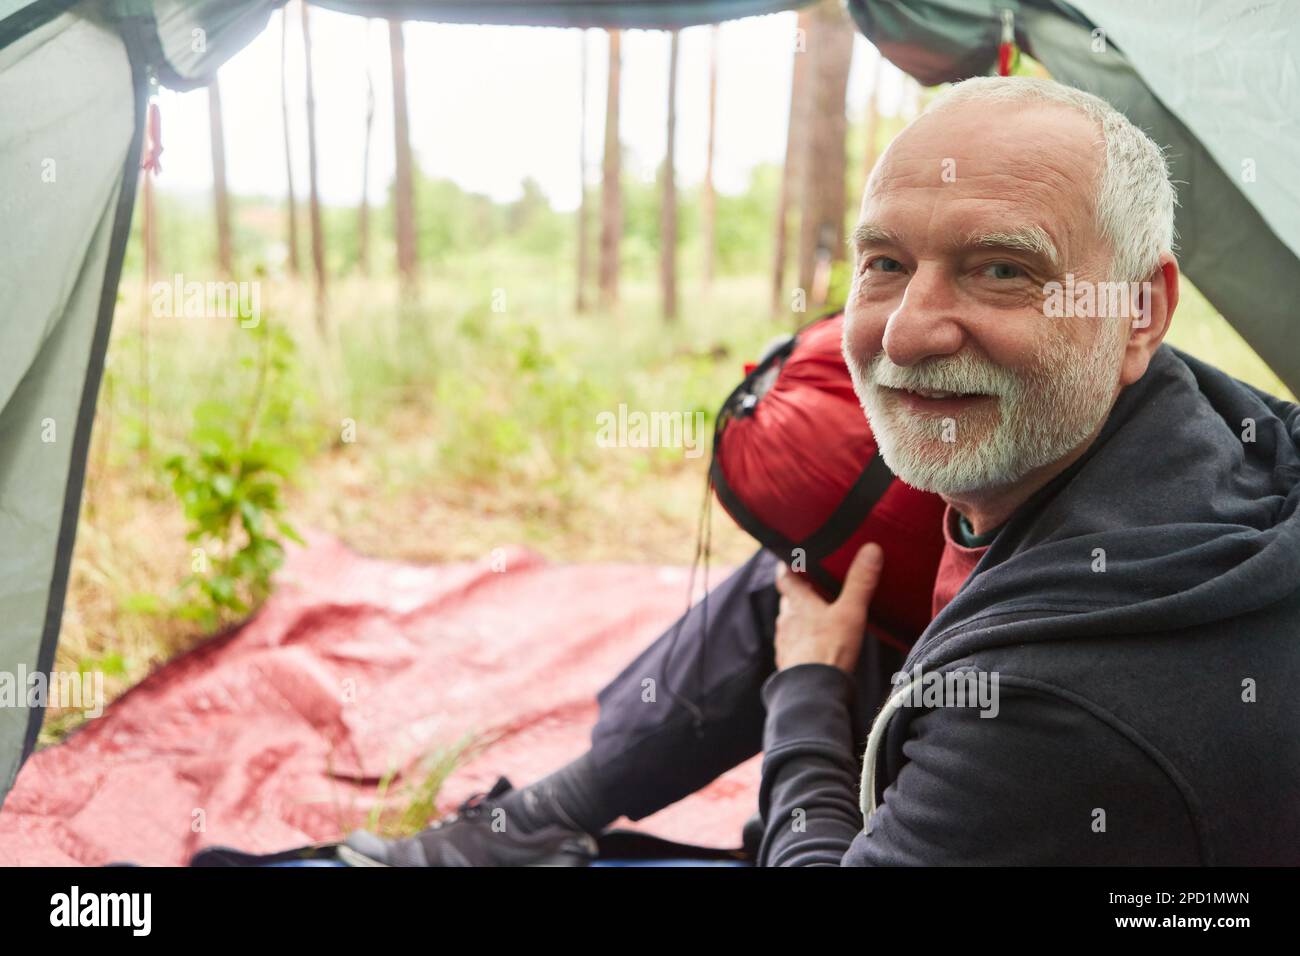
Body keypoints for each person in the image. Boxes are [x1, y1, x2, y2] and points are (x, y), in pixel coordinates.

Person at [345, 75, 1300, 867]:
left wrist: (806, 690)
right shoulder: (1213, 427)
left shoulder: (1060, 712)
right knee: (808, 568)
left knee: (811, 621)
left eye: (1002, 270)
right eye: (884, 262)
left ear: (1141, 310)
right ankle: (532, 822)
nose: (909, 333)